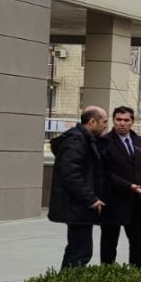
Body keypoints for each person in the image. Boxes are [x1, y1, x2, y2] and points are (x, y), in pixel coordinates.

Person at [47, 106, 109, 269]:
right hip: (76, 206)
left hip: (79, 206)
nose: (106, 126)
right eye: (104, 122)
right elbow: (71, 174)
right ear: (92, 122)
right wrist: (91, 198)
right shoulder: (76, 141)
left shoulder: (85, 140)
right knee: (79, 251)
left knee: (78, 249)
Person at [97, 106, 141, 267]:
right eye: (118, 120)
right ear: (113, 121)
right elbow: (104, 173)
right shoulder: (104, 142)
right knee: (109, 245)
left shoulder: (140, 141)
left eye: (126, 120)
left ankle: (135, 279)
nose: (122, 123)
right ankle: (107, 277)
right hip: (113, 201)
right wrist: (129, 186)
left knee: (139, 243)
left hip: (137, 203)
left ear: (132, 121)